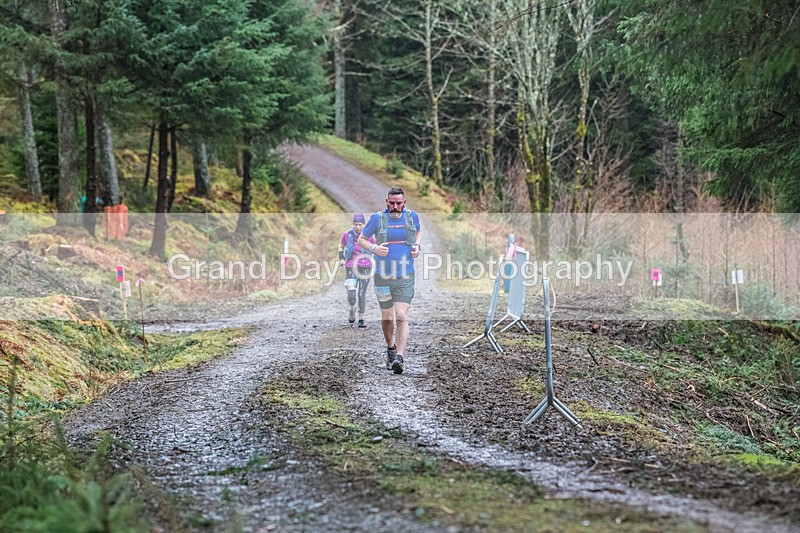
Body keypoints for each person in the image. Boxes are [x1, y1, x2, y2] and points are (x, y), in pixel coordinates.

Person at [358, 187, 421, 374]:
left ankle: (399, 358)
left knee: (401, 316)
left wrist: (417, 246)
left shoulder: (412, 217)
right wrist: (374, 248)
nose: (395, 206)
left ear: (404, 203)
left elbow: (418, 232)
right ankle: (391, 348)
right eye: (392, 203)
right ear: (387, 202)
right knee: (387, 318)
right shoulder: (377, 219)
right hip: (383, 277)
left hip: (405, 276)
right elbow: (362, 239)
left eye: (398, 203)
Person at [339, 214, 375, 327]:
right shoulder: (347, 234)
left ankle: (361, 318)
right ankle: (352, 307)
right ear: (353, 224)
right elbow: (341, 245)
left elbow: (374, 248)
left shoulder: (369, 236)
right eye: (356, 224)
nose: (358, 227)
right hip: (351, 266)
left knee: (361, 293)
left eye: (360, 224)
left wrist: (375, 260)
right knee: (351, 293)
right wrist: (341, 258)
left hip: (366, 267)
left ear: (364, 224)